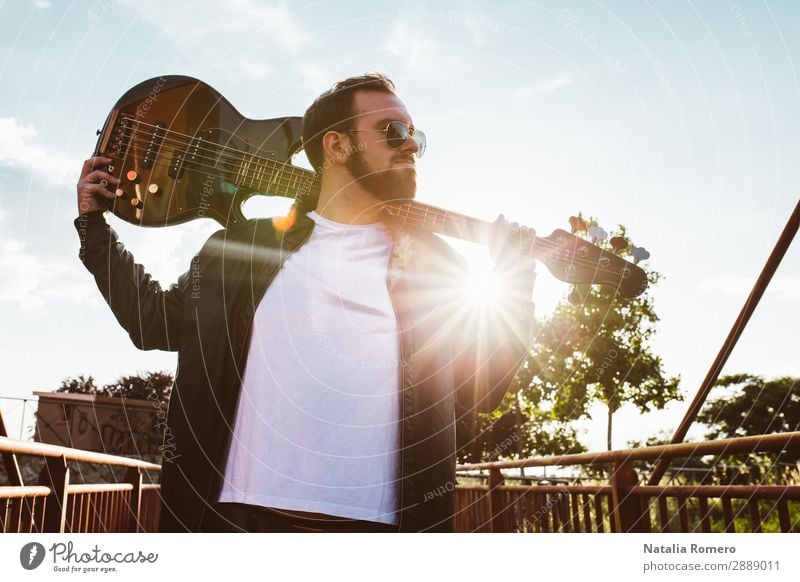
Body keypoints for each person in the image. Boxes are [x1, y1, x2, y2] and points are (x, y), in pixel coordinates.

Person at [74, 73, 536, 532]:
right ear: (336, 146)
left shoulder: (437, 271)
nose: (411, 145)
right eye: (393, 131)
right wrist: (95, 231)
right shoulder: (241, 251)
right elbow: (152, 322)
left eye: (416, 135)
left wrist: (516, 285)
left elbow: (481, 391)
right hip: (237, 525)